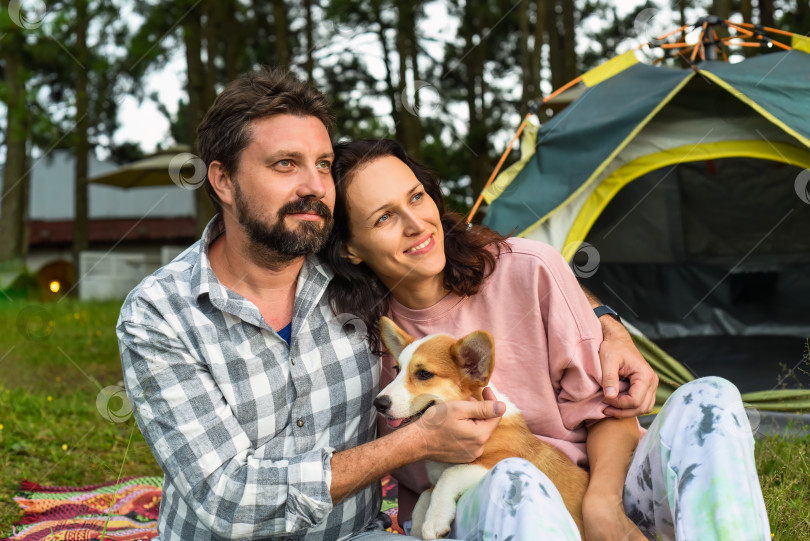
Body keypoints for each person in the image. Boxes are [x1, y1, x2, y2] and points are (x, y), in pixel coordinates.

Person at [116, 67, 656, 540]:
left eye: (323, 164)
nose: (313, 186)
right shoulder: (160, 314)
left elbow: (497, 269)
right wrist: (412, 443)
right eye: (285, 165)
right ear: (223, 180)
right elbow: (226, 500)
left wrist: (606, 323)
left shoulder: (350, 281)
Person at [323, 138, 772, 540]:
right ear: (350, 247)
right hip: (484, 510)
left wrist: (603, 506)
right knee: (514, 479)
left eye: (417, 197)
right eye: (384, 216)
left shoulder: (529, 268)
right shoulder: (356, 341)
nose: (416, 224)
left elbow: (607, 410)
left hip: (602, 489)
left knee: (711, 397)